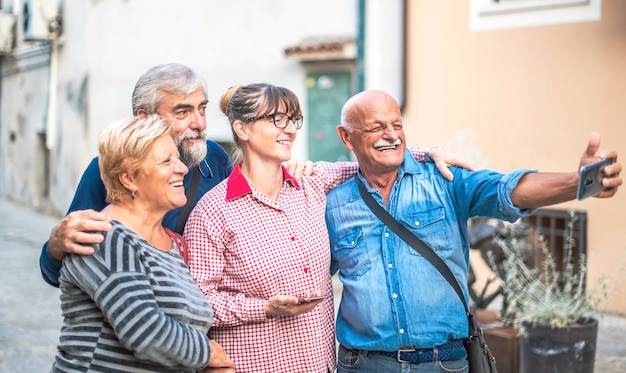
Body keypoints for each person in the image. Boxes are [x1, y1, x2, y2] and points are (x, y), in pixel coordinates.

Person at [38, 63, 473, 288]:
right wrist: (56, 246)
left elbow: (343, 167)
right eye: (183, 112)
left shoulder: (213, 159)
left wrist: (420, 152)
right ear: (144, 118)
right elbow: (60, 270)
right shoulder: (109, 170)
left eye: (203, 109)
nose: (199, 123)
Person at [182, 83, 475, 373]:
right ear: (242, 129)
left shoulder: (313, 182)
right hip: (252, 364)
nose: (290, 129)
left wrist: (430, 153)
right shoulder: (212, 212)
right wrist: (264, 308)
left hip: (319, 365)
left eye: (293, 120)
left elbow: (376, 159)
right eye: (277, 120)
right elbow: (197, 302)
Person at [325, 90, 622, 373]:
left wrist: (576, 182)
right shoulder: (333, 203)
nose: (391, 135)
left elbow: (506, 190)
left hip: (442, 363)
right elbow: (309, 270)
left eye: (396, 125)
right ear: (346, 137)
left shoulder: (445, 179)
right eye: (376, 127)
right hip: (364, 364)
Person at [51, 115, 235, 372]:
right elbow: (145, 330)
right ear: (129, 178)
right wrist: (208, 353)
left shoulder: (171, 246)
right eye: (166, 161)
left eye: (178, 159)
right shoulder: (107, 237)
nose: (182, 168)